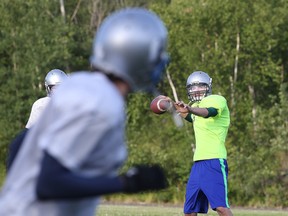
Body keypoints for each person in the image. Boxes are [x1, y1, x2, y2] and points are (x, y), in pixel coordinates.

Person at [0, 7, 169, 216]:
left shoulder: (79, 84)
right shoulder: (104, 103)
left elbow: (20, 144)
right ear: (138, 58)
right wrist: (127, 182)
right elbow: (48, 184)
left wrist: (18, 187)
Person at [173, 71, 233, 216]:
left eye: (200, 86)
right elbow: (193, 118)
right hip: (198, 163)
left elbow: (209, 112)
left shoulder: (217, 99)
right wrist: (171, 106)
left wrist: (190, 109)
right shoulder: (196, 106)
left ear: (208, 86)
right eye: (193, 88)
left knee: (220, 207)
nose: (196, 90)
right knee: (190, 210)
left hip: (214, 160)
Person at [6, 69, 68, 171]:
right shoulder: (42, 104)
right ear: (48, 88)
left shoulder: (71, 104)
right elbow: (28, 134)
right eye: (56, 88)